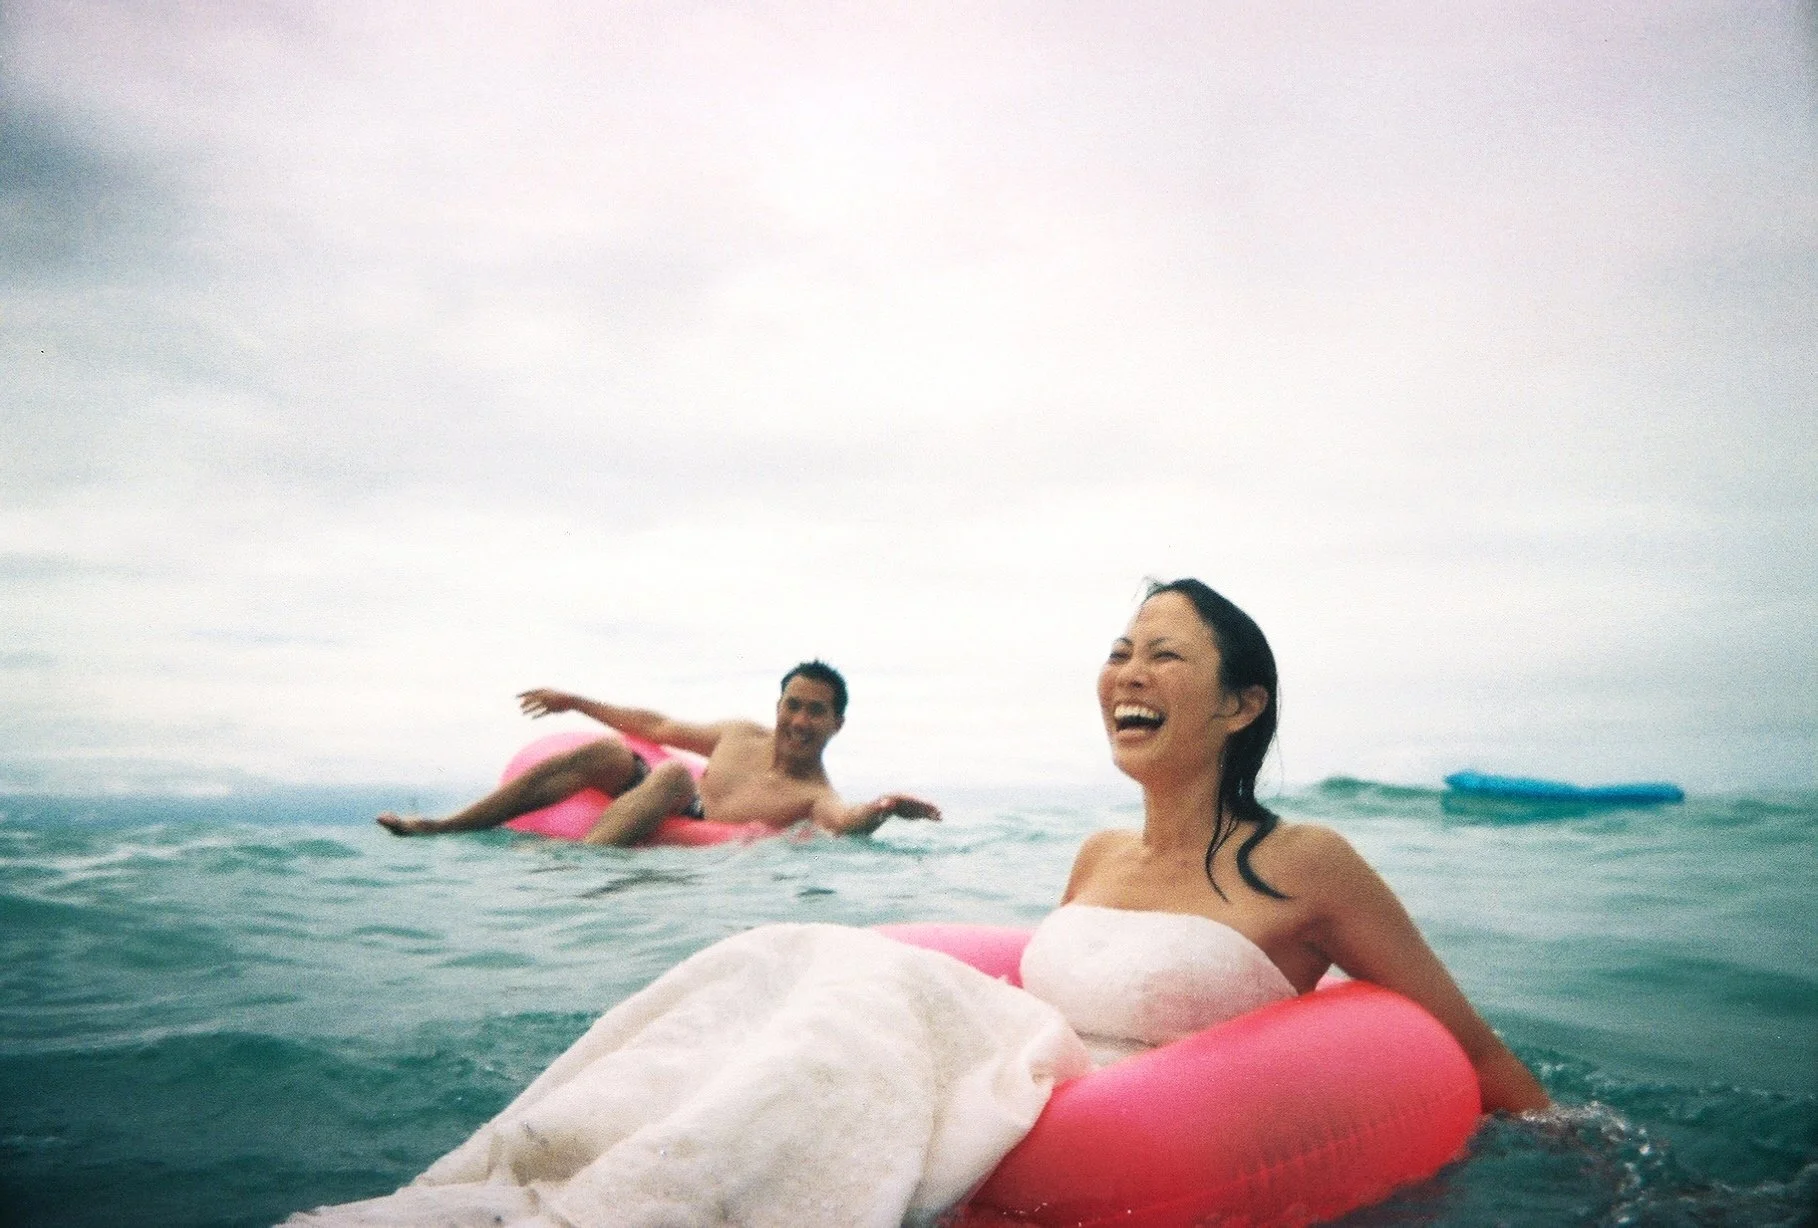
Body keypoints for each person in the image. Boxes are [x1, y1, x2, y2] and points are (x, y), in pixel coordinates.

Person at [298, 583, 1545, 1227]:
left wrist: (1577, 1146)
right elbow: (1035, 992)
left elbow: (1466, 1042)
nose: (1128, 670)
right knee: (795, 953)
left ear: (1242, 705)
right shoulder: (1100, 852)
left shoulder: (1305, 862)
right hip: (1024, 1076)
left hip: (1114, 1123)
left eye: (1165, 652)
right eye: (1119, 648)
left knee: (842, 981)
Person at [376, 660, 942, 846]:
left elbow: (845, 824)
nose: (799, 720)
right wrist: (574, 701)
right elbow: (655, 724)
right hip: (665, 795)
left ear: (836, 724)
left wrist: (886, 806)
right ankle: (443, 826)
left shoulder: (813, 795)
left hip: (693, 825)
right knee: (609, 753)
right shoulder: (739, 736)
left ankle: (578, 869)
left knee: (671, 776)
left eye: (815, 711)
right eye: (792, 704)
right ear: (777, 706)